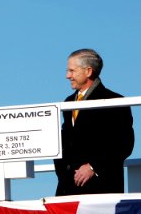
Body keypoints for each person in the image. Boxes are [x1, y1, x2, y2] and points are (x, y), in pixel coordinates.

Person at [54, 49, 134, 196]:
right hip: (68, 190)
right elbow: (65, 141)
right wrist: (64, 175)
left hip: (101, 190)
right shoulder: (68, 102)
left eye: (72, 71)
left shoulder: (115, 102)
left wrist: (93, 167)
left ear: (88, 71)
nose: (67, 76)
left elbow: (124, 143)